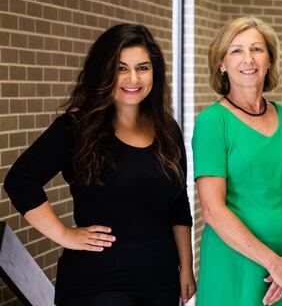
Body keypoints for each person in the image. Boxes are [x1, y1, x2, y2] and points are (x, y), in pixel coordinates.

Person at [4, 24, 194, 306]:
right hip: (97, 285)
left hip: (160, 284)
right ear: (104, 71)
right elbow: (20, 180)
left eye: (142, 67)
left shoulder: (168, 130)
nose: (133, 78)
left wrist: (186, 267)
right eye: (121, 68)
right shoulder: (76, 129)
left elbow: (178, 204)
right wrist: (64, 234)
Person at [193, 17, 282, 306]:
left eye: (257, 49)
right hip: (234, 262)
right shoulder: (212, 121)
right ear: (221, 63)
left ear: (269, 60)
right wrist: (274, 264)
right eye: (236, 51)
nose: (248, 59)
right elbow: (212, 210)